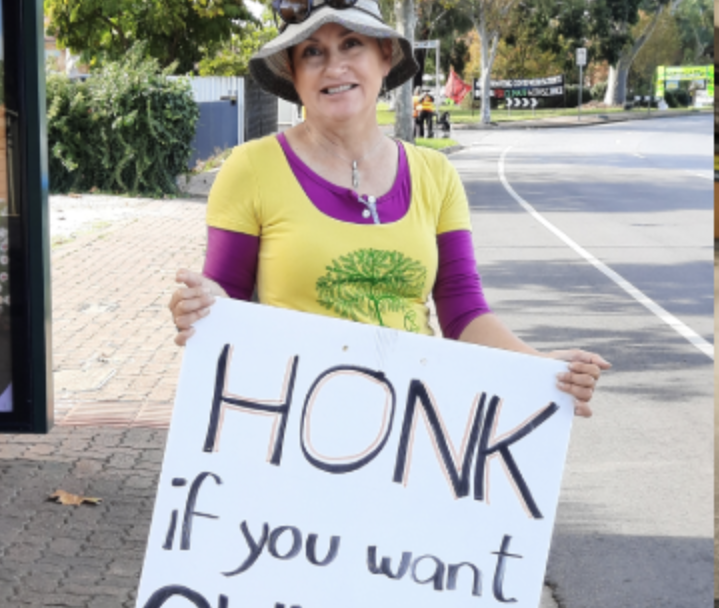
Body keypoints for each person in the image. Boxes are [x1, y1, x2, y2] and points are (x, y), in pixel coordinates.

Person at [167, 0, 607, 417]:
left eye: (351, 43)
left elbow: (462, 311)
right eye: (313, 52)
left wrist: (539, 367)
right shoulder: (251, 169)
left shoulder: (436, 175)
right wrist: (205, 305)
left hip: (411, 432)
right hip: (292, 432)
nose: (334, 66)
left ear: (384, 55)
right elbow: (226, 304)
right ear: (294, 74)